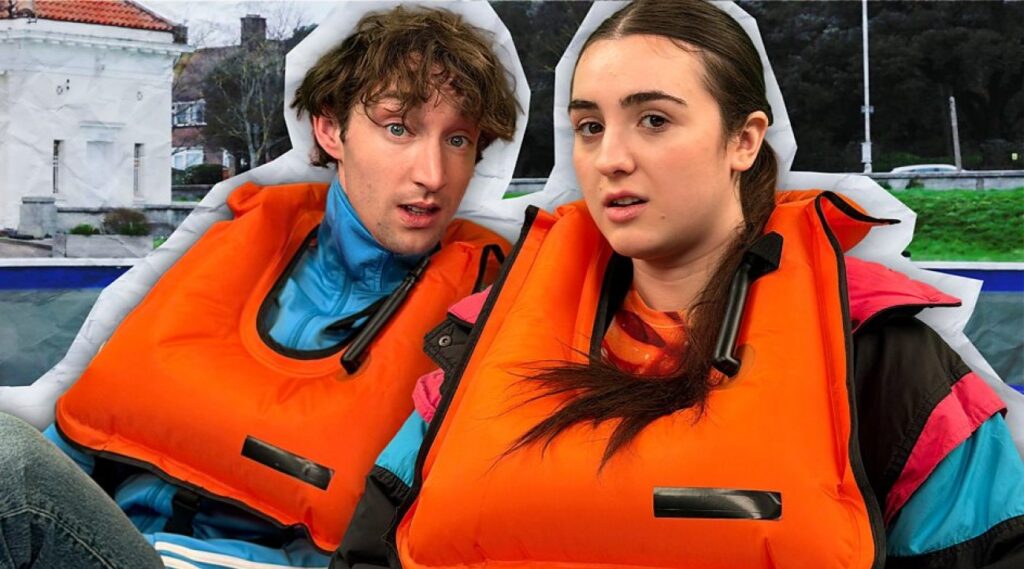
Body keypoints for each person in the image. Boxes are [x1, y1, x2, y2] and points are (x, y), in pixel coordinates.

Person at [332, 1, 1024, 568]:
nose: (612, 158)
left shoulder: (883, 361)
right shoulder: (482, 342)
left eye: (654, 120)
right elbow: (370, 550)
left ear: (744, 141)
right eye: (590, 127)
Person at [0, 4, 522, 568]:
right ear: (330, 129)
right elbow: (72, 451)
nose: (433, 175)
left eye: (459, 141)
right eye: (399, 128)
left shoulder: (486, 317)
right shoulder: (239, 243)